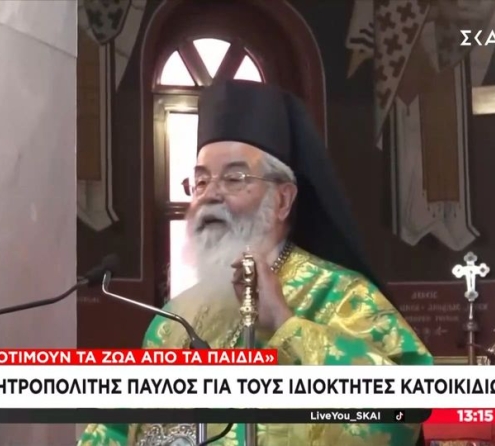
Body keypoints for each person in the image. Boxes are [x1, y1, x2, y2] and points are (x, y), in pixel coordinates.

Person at [79, 80, 431, 446]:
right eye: (200, 181)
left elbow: (404, 412)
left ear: (282, 200)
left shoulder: (343, 296)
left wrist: (285, 325)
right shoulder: (172, 321)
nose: (210, 195)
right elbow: (117, 425)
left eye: (234, 178)